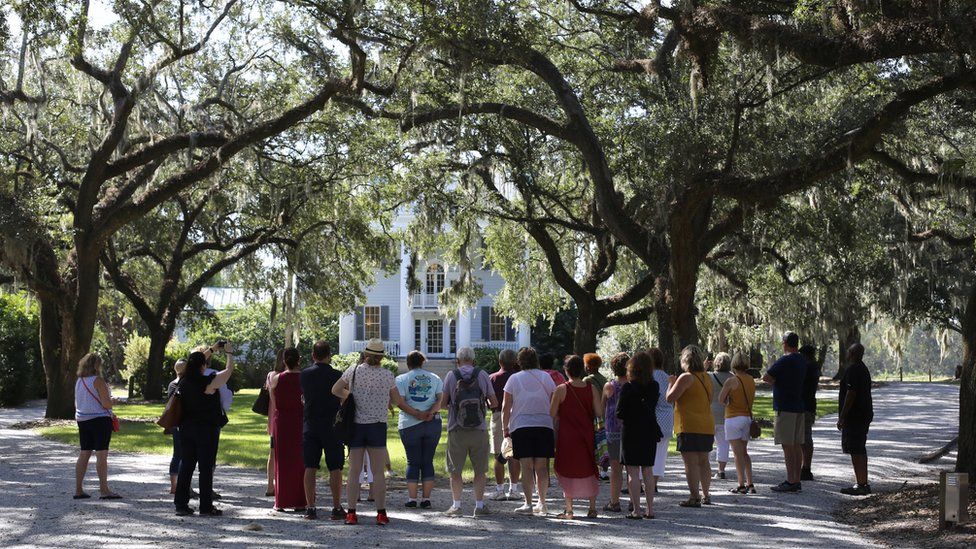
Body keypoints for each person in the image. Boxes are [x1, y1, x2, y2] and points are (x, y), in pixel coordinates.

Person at [331, 338, 397, 526]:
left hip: (356, 426)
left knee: (354, 471)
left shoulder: (353, 371)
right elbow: (397, 399)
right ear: (382, 357)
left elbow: (335, 389)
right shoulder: (387, 375)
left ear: (365, 354)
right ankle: (381, 513)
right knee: (377, 472)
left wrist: (349, 395)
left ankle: (351, 513)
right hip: (377, 426)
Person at [174, 345, 235, 516]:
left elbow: (195, 360)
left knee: (186, 466)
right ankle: (206, 507)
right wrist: (229, 354)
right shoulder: (207, 382)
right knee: (206, 468)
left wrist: (212, 349)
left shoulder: (184, 380)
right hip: (206, 430)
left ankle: (181, 504)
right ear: (203, 366)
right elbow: (228, 371)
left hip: (186, 428)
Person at [442, 347, 497, 517]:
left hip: (456, 429)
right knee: (480, 470)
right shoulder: (482, 375)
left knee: (455, 471)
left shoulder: (451, 375)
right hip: (479, 429)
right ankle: (479, 506)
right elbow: (494, 402)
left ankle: (456, 506)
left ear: (458, 360)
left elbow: (443, 404)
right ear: (474, 360)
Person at [503, 347, 557, 516]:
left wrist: (505, 428)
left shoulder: (514, 378)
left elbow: (506, 407)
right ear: (536, 360)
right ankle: (542, 502)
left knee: (526, 466)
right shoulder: (546, 377)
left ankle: (528, 503)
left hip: (521, 425)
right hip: (544, 424)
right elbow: (554, 400)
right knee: (541, 467)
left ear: (519, 361)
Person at [549, 355, 603, 519]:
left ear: (566, 370)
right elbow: (599, 412)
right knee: (589, 468)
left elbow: (551, 413)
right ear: (582, 369)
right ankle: (592, 507)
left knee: (567, 468)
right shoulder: (591, 388)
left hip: (567, 436)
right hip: (586, 434)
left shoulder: (561, 389)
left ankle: (569, 509)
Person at [300, 341, 346, 520]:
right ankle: (336, 507)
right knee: (335, 467)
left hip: (310, 424)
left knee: (310, 466)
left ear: (313, 355)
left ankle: (310, 507)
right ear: (329, 355)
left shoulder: (304, 374)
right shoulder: (337, 375)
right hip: (332, 425)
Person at [666, 345, 714, 508]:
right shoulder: (706, 377)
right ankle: (706, 494)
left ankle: (694, 496)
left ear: (685, 360)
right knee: (704, 461)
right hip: (706, 424)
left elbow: (670, 398)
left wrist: (671, 383)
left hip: (689, 425)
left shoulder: (686, 378)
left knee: (691, 463)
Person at [395, 350, 443, 510]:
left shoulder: (401, 379)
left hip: (409, 424)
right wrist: (431, 413)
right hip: (432, 423)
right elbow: (440, 400)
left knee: (412, 461)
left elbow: (400, 403)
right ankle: (426, 499)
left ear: (408, 364)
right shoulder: (435, 378)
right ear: (423, 362)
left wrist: (417, 414)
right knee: (427, 461)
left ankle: (412, 498)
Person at [617, 352, 662, 519]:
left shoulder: (627, 387)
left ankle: (636, 509)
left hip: (631, 431)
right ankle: (650, 508)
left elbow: (620, 412)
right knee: (648, 470)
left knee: (633, 472)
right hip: (649, 430)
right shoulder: (654, 386)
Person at [763, 331, 808, 493]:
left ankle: (790, 480)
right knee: (796, 445)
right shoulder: (802, 360)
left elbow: (766, 377)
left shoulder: (785, 360)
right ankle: (796, 479)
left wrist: (777, 382)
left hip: (785, 407)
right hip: (798, 406)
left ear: (785, 343)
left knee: (787, 446)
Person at [73, 353, 121, 500]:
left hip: (83, 420)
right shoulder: (98, 381)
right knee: (101, 454)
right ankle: (104, 489)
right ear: (96, 365)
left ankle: (78, 489)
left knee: (84, 453)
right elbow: (106, 403)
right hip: (99, 420)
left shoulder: (79, 381)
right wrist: (115, 401)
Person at [194, 343, 234, 501]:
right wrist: (229, 353)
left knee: (188, 457)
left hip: (190, 420)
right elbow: (225, 398)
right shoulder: (213, 376)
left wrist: (211, 348)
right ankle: (207, 491)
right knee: (209, 458)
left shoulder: (187, 376)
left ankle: (185, 488)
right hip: (210, 420)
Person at [270, 347, 305, 512]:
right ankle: (299, 500)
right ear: (299, 360)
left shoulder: (276, 378)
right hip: (299, 420)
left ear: (284, 361)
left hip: (282, 421)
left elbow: (274, 400)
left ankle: (281, 501)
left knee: (282, 461)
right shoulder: (304, 378)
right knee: (299, 461)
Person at [837, 343, 874, 496]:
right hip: (863, 414)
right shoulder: (863, 368)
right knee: (859, 448)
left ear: (851, 353)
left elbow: (851, 394)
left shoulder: (853, 369)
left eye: (848, 351)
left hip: (855, 416)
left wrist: (842, 416)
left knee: (856, 450)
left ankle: (861, 484)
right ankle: (862, 482)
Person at [718, 351, 756, 494]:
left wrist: (729, 400)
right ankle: (750, 483)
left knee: (737, 453)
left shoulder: (731, 381)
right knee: (744, 452)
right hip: (746, 418)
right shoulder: (751, 380)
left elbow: (721, 399)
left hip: (733, 418)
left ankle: (741, 484)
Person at [489, 349, 521, 501]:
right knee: (514, 455)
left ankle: (499, 489)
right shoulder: (519, 378)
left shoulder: (493, 378)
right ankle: (514, 489)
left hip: (498, 416)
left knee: (499, 454)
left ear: (500, 361)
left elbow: (488, 401)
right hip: (517, 417)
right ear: (515, 362)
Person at [601, 352, 629, 512]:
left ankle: (614, 501)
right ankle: (634, 501)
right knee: (632, 467)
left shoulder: (609, 386)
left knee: (615, 468)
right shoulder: (632, 385)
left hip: (612, 430)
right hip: (629, 429)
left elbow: (601, 407)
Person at [649, 348, 674, 493]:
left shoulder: (649, 377)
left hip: (655, 417)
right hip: (667, 418)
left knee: (647, 453)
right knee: (661, 454)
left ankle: (643, 483)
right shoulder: (667, 377)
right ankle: (655, 483)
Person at [264, 349, 286, 497]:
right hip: (282, 418)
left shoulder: (271, 375)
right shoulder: (284, 377)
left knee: (272, 454)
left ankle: (269, 485)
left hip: (273, 419)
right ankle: (281, 484)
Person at [709, 352, 735, 480]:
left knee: (707, 442)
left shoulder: (709, 377)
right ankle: (721, 470)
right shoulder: (733, 378)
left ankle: (705, 467)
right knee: (723, 443)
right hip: (726, 413)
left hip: (710, 413)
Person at [798, 345, 821, 482]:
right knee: (805, 438)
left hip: (804, 406)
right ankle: (804, 467)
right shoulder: (814, 367)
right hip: (809, 405)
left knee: (805, 438)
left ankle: (806, 468)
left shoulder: (808, 367)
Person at [167, 359, 187, 495]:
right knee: (185, 455)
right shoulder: (184, 384)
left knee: (176, 454)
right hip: (184, 422)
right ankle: (183, 485)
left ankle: (173, 486)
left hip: (174, 422)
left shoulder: (171, 384)